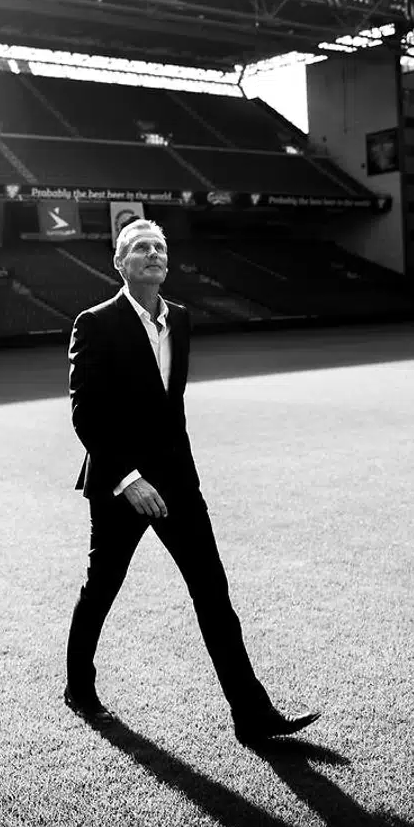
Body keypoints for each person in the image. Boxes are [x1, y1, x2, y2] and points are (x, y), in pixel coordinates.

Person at [63, 218, 320, 745]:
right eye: (140, 247)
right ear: (120, 263)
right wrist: (129, 479)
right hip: (122, 485)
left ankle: (252, 714)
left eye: (159, 247)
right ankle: (79, 689)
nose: (153, 253)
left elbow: (169, 409)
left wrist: (179, 474)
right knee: (102, 588)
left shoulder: (179, 319)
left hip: (178, 482)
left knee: (212, 592)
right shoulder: (95, 322)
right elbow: (86, 414)